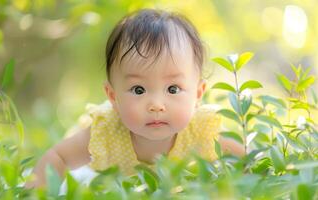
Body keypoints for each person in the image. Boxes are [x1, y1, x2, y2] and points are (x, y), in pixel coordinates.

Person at [26, 8, 245, 188]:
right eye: (139, 90)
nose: (157, 106)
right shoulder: (105, 132)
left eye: (173, 89)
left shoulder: (202, 131)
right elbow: (59, 156)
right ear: (113, 97)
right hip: (103, 174)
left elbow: (248, 160)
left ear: (198, 94)